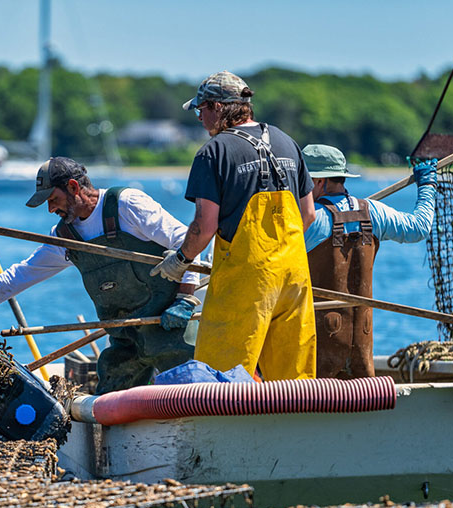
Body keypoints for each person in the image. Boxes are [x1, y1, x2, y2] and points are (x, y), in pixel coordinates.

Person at [0, 157, 199, 394]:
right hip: (125, 337)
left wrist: (185, 300)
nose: (51, 209)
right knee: (109, 396)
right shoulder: (65, 237)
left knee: (190, 391)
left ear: (73, 187)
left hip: (171, 326)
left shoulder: (126, 205)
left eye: (53, 200)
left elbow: (188, 241)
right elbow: (21, 274)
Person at [151, 71, 317, 381]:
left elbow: (204, 225)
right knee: (293, 378)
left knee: (222, 377)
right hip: (294, 277)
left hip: (246, 280)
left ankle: (225, 431)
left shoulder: (213, 152)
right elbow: (308, 215)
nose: (200, 118)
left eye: (202, 110)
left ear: (217, 107)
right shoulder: (287, 141)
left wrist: (181, 260)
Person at [302, 143, 438, 379]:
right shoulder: (374, 212)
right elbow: (419, 227)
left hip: (318, 349)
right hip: (362, 344)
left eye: (302, 182)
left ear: (318, 182)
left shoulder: (307, 220)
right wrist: (427, 186)